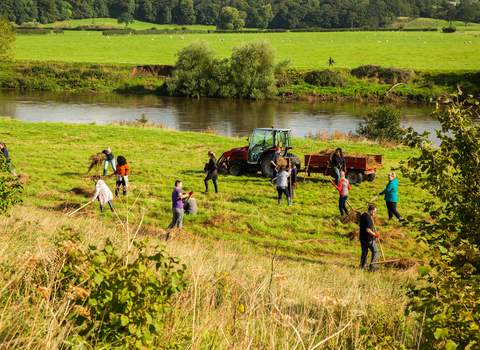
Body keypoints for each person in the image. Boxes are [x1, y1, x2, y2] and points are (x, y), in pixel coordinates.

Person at [359, 204, 379, 271]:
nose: (374, 213)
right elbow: (368, 230)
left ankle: (362, 266)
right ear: (371, 211)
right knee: (375, 251)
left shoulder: (363, 215)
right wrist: (374, 234)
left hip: (362, 237)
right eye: (374, 212)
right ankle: (372, 266)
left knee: (364, 252)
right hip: (368, 239)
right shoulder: (368, 218)